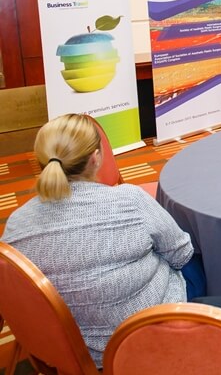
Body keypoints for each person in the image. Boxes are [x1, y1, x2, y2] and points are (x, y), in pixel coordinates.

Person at [1, 114, 194, 366]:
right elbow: (181, 254)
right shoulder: (130, 201)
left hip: (67, 355)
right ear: (95, 157)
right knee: (197, 260)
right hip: (143, 338)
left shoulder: (16, 223)